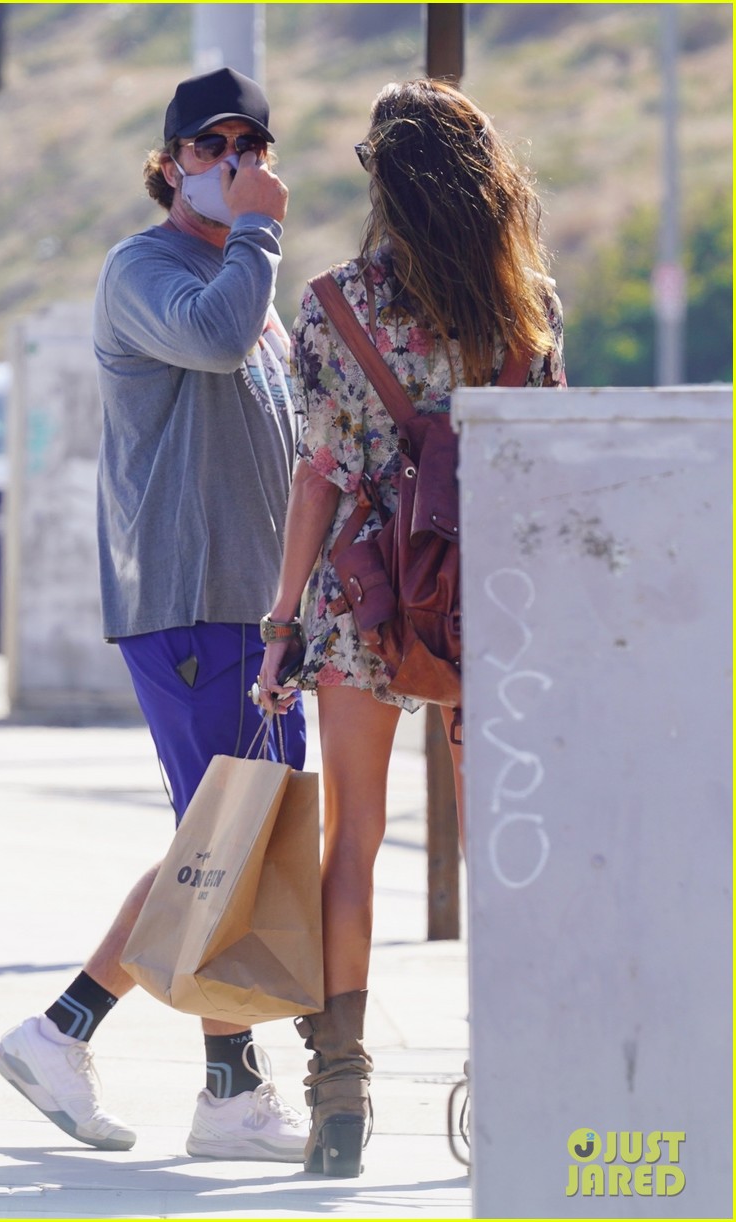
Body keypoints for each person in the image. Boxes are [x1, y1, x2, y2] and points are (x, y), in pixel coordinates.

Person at [0, 67, 309, 1163]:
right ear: (170, 165)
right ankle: (118, 1052)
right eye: (211, 147)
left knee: (227, 841)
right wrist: (260, 232)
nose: (235, 163)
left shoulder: (248, 280)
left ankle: (152, 1062)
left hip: (253, 611)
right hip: (188, 598)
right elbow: (213, 341)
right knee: (221, 837)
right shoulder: (146, 269)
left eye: (251, 145)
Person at [256, 78, 566, 1177]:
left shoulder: (332, 306)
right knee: (501, 848)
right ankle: (509, 1080)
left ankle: (340, 1098)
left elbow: (320, 475)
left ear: (382, 183)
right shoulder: (526, 309)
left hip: (363, 608)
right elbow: (545, 470)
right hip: (492, 607)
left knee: (353, 839)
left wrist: (281, 624)